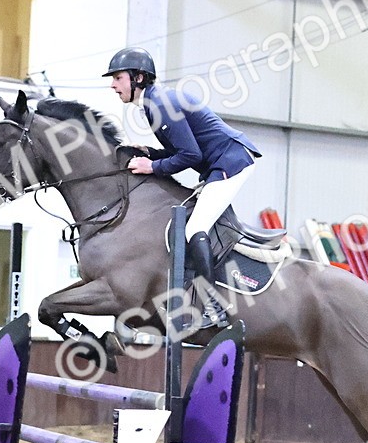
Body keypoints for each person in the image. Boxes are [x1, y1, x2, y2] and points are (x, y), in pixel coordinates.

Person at [104, 46, 260, 325]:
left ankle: (214, 306)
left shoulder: (160, 104)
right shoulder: (153, 104)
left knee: (195, 227)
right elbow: (183, 149)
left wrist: (152, 167)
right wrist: (152, 153)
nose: (113, 85)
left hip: (231, 161)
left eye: (118, 78)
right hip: (220, 162)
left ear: (138, 78)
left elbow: (190, 156)